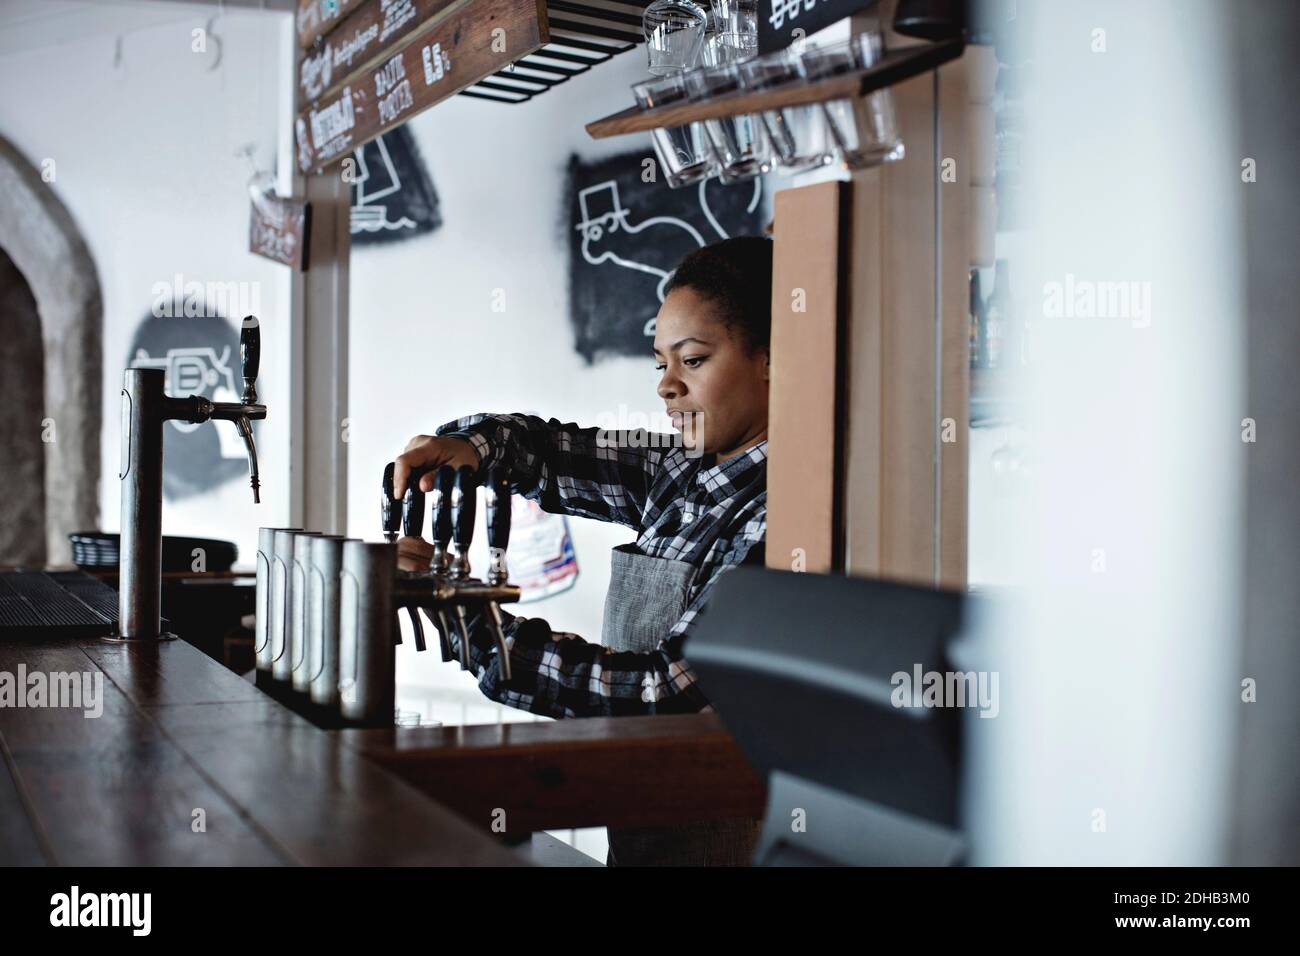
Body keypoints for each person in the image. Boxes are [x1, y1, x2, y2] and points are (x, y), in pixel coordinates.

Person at [391, 236, 772, 865]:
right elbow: (548, 450)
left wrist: (471, 625)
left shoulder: (779, 515)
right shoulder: (681, 472)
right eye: (660, 365)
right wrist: (470, 450)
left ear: (772, 358)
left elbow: (666, 698)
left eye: (694, 360)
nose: (667, 388)